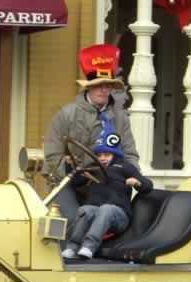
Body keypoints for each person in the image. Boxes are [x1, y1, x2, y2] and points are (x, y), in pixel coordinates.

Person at [43, 44, 139, 221]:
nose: (103, 90)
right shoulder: (66, 115)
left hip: (106, 184)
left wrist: (132, 178)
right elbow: (52, 155)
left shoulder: (120, 118)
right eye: (98, 85)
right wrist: (69, 170)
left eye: (107, 85)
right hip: (67, 182)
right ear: (88, 87)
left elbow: (130, 155)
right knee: (75, 220)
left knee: (112, 219)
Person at [61, 115, 153, 260]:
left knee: (106, 209)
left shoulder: (125, 167)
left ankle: (89, 246)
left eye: (107, 154)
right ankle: (72, 247)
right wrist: (69, 165)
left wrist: (137, 182)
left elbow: (148, 186)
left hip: (118, 216)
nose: (103, 158)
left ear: (114, 154)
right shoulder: (93, 168)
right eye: (99, 155)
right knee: (85, 210)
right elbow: (76, 182)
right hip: (96, 212)